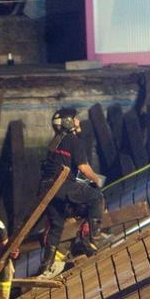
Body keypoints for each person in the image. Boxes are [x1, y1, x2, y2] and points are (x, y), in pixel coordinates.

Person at [39, 107, 106, 275]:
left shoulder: (55, 141)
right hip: (61, 185)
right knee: (96, 197)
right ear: (68, 123)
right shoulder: (73, 141)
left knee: (57, 225)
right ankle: (93, 239)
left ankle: (46, 265)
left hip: (47, 188)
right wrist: (97, 180)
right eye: (75, 119)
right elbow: (84, 168)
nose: (78, 121)